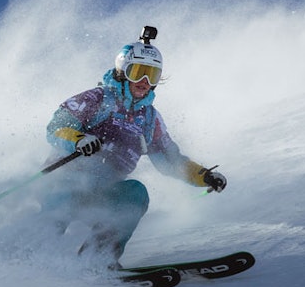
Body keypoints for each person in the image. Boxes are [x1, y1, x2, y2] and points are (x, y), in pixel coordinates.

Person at [44, 26, 226, 268]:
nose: (144, 81)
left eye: (153, 75)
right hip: (66, 179)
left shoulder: (149, 119)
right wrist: (78, 139)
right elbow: (57, 126)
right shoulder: (97, 99)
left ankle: (98, 258)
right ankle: (32, 255)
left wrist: (205, 177)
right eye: (139, 72)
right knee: (62, 198)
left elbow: (170, 159)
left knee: (135, 193)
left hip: (102, 190)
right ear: (123, 71)